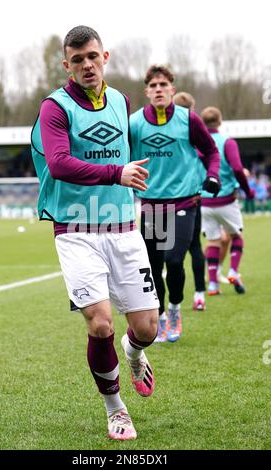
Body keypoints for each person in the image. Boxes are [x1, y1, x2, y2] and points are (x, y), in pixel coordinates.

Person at [31, 26, 159, 441]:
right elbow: (61, 164)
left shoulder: (121, 101)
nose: (87, 65)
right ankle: (115, 409)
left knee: (146, 329)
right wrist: (116, 173)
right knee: (100, 323)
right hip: (76, 232)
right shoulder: (55, 108)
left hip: (123, 230)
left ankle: (135, 353)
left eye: (93, 56)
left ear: (107, 57)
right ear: (66, 64)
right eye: (78, 59)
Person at [130, 66, 220, 344]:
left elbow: (211, 151)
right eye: (153, 85)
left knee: (173, 259)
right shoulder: (133, 124)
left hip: (184, 201)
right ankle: (159, 317)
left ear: (172, 89)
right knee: (154, 266)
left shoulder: (189, 120)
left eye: (163, 84)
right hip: (151, 205)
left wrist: (213, 175)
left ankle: (175, 310)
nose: (158, 89)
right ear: (147, 92)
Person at [200, 106, 255, 295]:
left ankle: (213, 285)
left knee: (213, 242)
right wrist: (248, 190)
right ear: (220, 121)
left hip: (205, 202)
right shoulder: (227, 142)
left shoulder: (198, 144)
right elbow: (238, 168)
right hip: (226, 200)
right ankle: (233, 271)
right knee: (236, 236)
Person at [173, 92, 206, 311]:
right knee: (195, 246)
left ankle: (169, 305)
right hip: (193, 195)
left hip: (173, 198)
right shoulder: (193, 131)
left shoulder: (178, 130)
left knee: (167, 253)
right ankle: (199, 294)